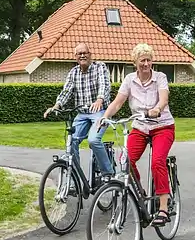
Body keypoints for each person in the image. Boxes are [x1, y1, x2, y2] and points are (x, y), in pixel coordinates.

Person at [101, 43, 175, 227]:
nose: (146, 64)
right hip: (140, 127)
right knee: (126, 159)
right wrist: (105, 117)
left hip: (162, 126)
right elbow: (118, 103)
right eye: (142, 60)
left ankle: (164, 208)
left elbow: (164, 98)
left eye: (149, 60)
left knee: (157, 161)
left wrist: (157, 108)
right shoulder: (129, 80)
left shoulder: (160, 77)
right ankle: (140, 191)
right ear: (135, 62)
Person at [43, 42, 114, 181]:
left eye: (85, 53)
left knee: (93, 140)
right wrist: (57, 105)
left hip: (99, 111)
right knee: (71, 141)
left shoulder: (100, 67)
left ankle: (108, 173)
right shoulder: (73, 72)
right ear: (75, 57)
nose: (82, 55)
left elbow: (104, 85)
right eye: (79, 53)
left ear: (90, 54)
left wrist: (99, 100)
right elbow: (66, 91)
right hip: (82, 113)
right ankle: (74, 174)